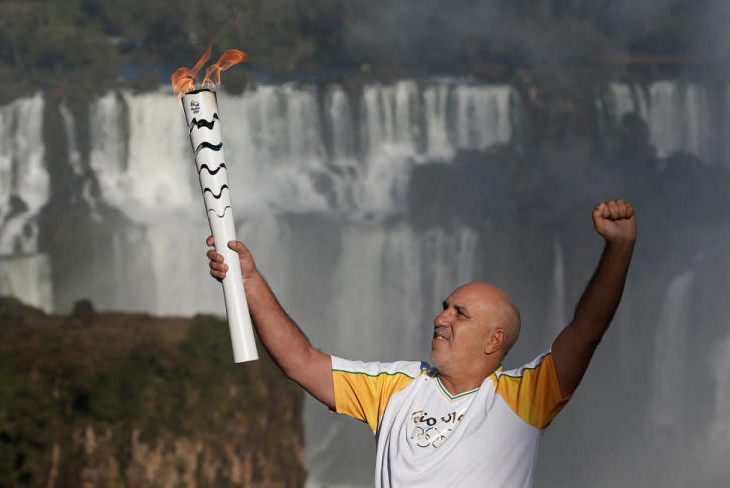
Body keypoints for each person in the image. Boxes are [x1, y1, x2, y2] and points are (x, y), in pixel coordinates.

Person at [206, 199, 636, 487]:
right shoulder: (396, 386)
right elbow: (300, 362)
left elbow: (587, 328)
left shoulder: (525, 396)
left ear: (494, 341)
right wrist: (250, 281)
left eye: (459, 313)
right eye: (445, 306)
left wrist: (619, 248)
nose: (440, 318)